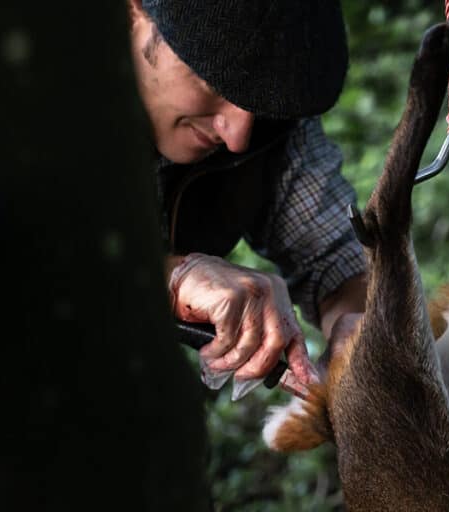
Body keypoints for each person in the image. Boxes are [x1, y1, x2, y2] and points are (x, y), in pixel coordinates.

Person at [126, 0, 366, 391]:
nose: (237, 137)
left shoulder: (270, 111)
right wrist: (168, 279)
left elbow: (337, 256)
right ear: (133, 11)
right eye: (213, 85)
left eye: (258, 105)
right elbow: (9, 264)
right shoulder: (23, 83)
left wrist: (362, 322)